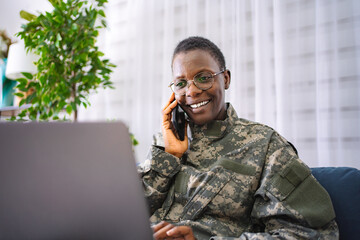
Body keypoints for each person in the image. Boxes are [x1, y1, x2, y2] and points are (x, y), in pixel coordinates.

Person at [138, 36, 339, 240]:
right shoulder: (165, 141)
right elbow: (126, 215)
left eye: (204, 77)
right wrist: (168, 157)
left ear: (225, 79)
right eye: (181, 83)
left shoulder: (265, 144)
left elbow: (313, 234)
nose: (192, 91)